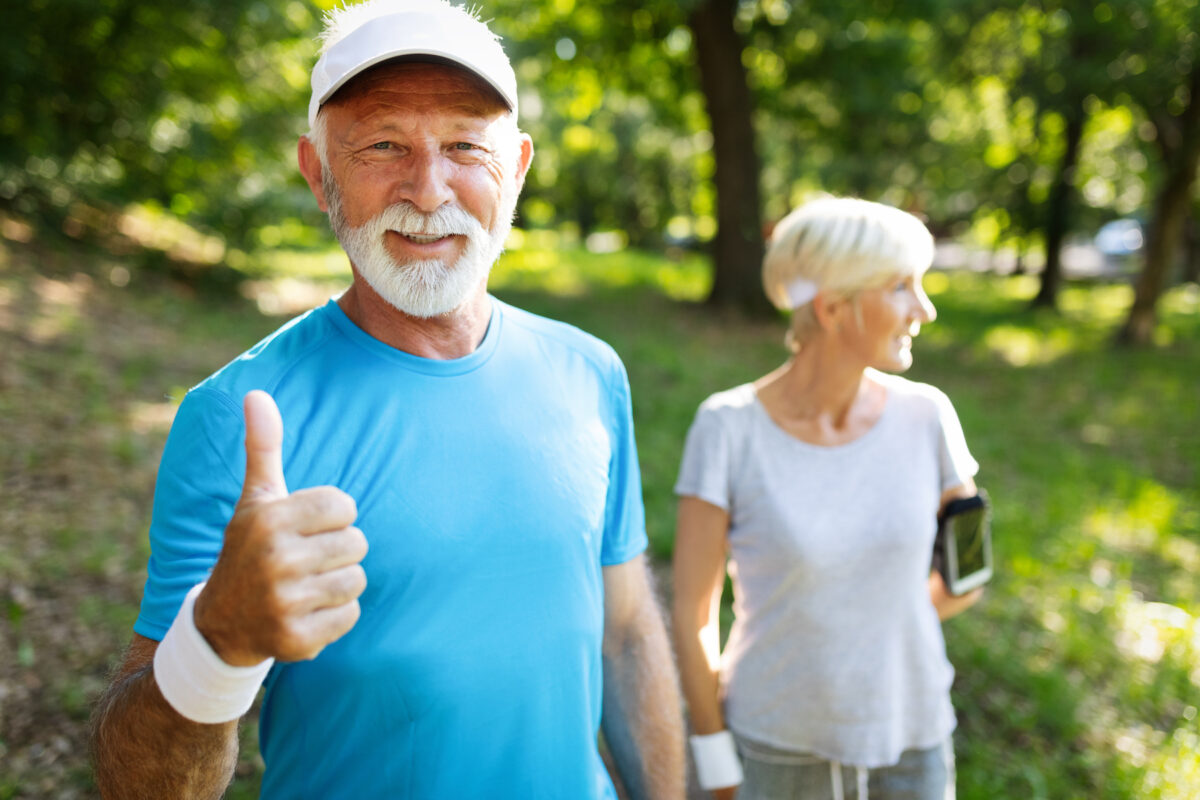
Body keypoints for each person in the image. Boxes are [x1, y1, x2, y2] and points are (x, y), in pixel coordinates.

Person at [90, 2, 686, 797]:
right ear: (317, 170)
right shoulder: (236, 417)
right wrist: (214, 644)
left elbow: (626, 633)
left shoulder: (591, 371)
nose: (429, 189)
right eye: (383, 144)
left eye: (466, 146)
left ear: (517, 166)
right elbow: (143, 790)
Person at [672, 197, 984, 800]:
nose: (925, 308)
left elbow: (971, 572)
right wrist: (715, 762)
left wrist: (880, 619)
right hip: (775, 749)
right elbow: (693, 618)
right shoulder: (727, 428)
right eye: (901, 287)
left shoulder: (930, 417)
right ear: (834, 307)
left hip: (913, 741)